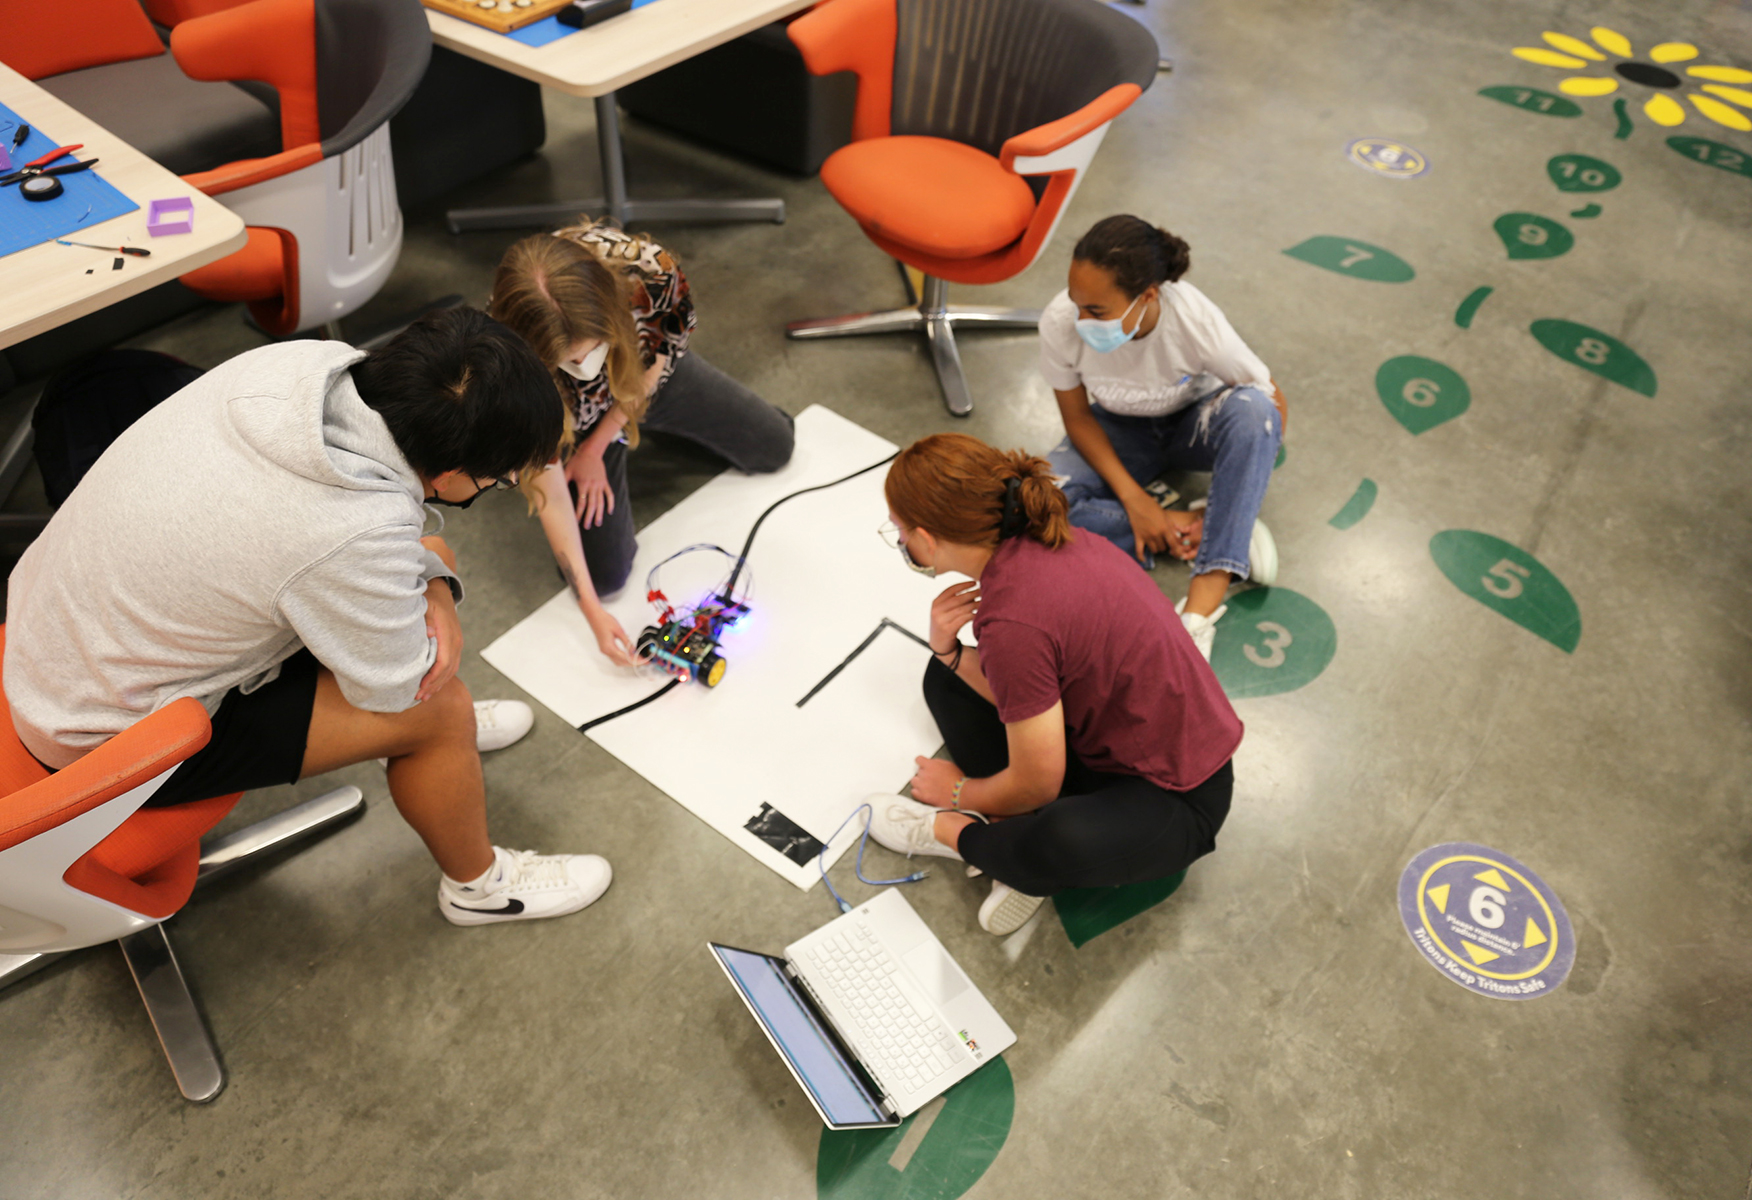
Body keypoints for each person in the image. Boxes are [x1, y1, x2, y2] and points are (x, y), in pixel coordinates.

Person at [4, 307, 613, 927]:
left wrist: (416, 571)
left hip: (45, 633)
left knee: (351, 601)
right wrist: (437, 580)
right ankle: (479, 889)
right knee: (438, 710)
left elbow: (320, 549)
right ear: (453, 474)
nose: (504, 484)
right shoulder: (351, 535)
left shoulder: (301, 368)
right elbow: (399, 685)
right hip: (97, 739)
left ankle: (430, 748)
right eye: (501, 479)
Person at [866, 434, 1242, 934]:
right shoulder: (1056, 541)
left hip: (1178, 797)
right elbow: (1035, 682)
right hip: (1114, 744)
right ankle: (1009, 833)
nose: (903, 545)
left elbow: (1037, 781)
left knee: (1059, 839)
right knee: (946, 674)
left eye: (900, 534)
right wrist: (949, 650)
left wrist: (959, 793)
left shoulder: (1014, 620)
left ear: (928, 538)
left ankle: (958, 836)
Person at [487, 220, 795, 666]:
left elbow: (659, 361)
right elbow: (549, 493)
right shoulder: (505, 363)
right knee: (605, 579)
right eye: (568, 361)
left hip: (644, 378)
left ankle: (640, 434)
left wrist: (601, 444)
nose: (585, 367)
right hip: (571, 424)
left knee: (775, 445)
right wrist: (593, 612)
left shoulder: (651, 276)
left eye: (591, 350)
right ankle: (618, 441)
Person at [1041, 214, 1288, 660]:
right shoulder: (1059, 322)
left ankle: (1198, 612)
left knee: (1254, 412)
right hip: (1115, 429)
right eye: (1076, 303)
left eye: (1096, 311)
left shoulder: (1194, 319)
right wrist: (1137, 502)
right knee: (1038, 505)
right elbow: (1077, 418)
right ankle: (1212, 528)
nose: (1080, 320)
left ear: (1147, 296)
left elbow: (1271, 404)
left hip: (1191, 425)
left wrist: (1237, 482)